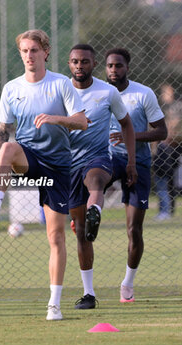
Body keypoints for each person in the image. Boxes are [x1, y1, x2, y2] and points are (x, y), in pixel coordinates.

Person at [0, 29, 88, 321]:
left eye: (34, 50)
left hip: (58, 168)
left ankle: (54, 304)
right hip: (29, 159)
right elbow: (2, 132)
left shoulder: (61, 84)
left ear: (46, 52)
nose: (28, 56)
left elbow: (82, 122)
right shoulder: (12, 88)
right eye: (24, 51)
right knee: (9, 147)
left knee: (56, 236)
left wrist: (55, 119)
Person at [68, 44, 137, 309]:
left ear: (94, 64)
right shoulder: (60, 90)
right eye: (75, 61)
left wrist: (131, 162)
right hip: (67, 165)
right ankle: (88, 294)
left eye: (84, 61)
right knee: (81, 233)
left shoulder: (107, 92)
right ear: (69, 64)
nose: (79, 66)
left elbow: (126, 124)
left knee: (96, 179)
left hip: (98, 156)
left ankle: (95, 208)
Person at [105, 48, 167, 302]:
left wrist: (130, 136)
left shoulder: (143, 94)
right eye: (109, 66)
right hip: (107, 160)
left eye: (118, 66)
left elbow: (161, 132)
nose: (113, 70)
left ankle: (127, 284)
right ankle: (87, 213)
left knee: (134, 229)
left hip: (138, 163)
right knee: (91, 182)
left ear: (127, 68)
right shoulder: (98, 94)